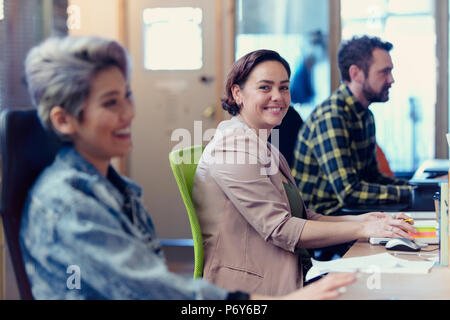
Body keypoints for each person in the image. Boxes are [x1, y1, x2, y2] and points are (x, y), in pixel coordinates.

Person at [19, 35, 357, 300]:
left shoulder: (116, 187)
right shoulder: (71, 206)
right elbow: (153, 292)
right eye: (110, 103)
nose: (129, 113)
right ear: (63, 120)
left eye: (128, 96)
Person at [193, 49, 416, 296]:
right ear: (238, 93)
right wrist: (363, 230)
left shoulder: (263, 146)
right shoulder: (232, 149)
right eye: (265, 88)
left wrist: (366, 220)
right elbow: (282, 229)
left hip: (293, 271)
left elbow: (302, 216)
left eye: (284, 88)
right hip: (255, 287)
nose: (277, 96)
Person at [292, 35, 414, 216]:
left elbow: (372, 177)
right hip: (326, 222)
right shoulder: (332, 117)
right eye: (384, 72)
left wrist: (420, 188)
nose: (391, 80)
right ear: (355, 73)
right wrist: (411, 194)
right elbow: (350, 193)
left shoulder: (365, 115)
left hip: (351, 214)